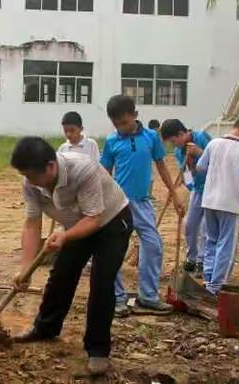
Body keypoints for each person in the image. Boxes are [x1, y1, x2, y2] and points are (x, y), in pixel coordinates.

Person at [10, 137, 132, 376]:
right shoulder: (31, 182)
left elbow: (94, 218)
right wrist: (25, 269)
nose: (30, 182)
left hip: (111, 221)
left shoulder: (83, 169)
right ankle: (45, 328)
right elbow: (32, 224)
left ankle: (98, 351)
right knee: (61, 274)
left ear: (50, 167)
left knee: (101, 281)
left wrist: (65, 237)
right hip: (78, 223)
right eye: (26, 176)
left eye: (33, 176)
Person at [100, 95, 185, 317]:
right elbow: (104, 174)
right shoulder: (111, 142)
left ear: (135, 116)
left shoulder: (151, 138)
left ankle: (148, 296)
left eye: (125, 123)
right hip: (118, 204)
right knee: (114, 250)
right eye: (117, 124)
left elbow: (162, 166)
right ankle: (117, 299)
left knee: (154, 245)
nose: (122, 128)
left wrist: (174, 193)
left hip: (142, 202)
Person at [195, 114, 239, 296]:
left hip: (209, 200)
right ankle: (216, 286)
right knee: (226, 244)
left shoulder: (213, 143)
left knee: (211, 240)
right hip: (229, 202)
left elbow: (200, 167)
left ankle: (208, 279)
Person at [161, 119, 211, 276]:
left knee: (205, 228)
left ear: (181, 134)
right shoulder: (179, 151)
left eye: (174, 141)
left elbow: (218, 160)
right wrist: (190, 187)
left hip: (212, 189)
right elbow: (186, 174)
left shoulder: (202, 137)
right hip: (198, 190)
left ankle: (203, 261)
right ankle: (192, 258)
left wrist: (200, 153)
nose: (173, 145)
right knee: (190, 225)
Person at [147, 119, 161, 198]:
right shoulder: (154, 135)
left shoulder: (146, 134)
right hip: (150, 159)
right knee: (151, 177)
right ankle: (149, 195)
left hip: (147, 158)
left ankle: (148, 194)